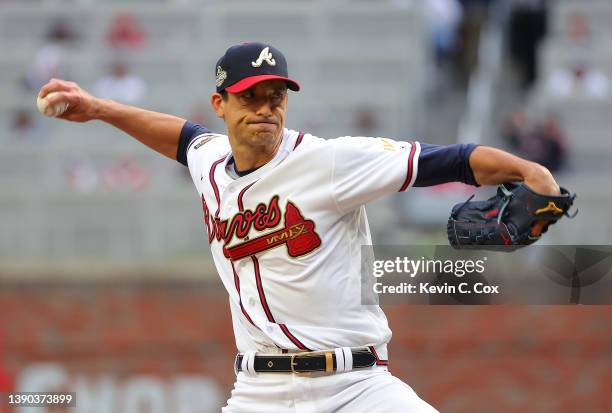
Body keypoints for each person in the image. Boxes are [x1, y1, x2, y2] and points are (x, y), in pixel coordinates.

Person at [38, 42, 560, 412]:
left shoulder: (330, 162)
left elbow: (452, 160)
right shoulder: (211, 161)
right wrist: (99, 108)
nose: (266, 109)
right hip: (259, 392)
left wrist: (529, 171)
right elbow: (181, 137)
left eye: (276, 97)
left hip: (357, 387)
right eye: (250, 97)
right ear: (221, 104)